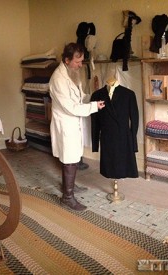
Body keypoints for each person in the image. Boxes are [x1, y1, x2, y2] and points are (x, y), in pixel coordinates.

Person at [49, 43, 105, 211]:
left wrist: (95, 96)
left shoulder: (72, 74)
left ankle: (70, 187)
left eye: (81, 61)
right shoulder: (58, 79)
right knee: (69, 160)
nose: (81, 65)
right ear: (67, 60)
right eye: (78, 62)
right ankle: (67, 197)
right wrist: (94, 107)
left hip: (73, 123)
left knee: (73, 158)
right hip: (65, 123)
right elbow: (72, 108)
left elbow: (80, 97)